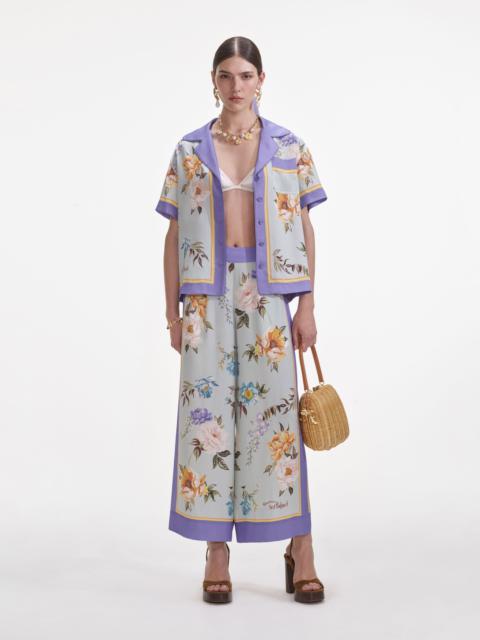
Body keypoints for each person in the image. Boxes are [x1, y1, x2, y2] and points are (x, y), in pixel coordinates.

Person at [156, 36, 327, 604]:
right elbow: (174, 234)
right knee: (205, 423)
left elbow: (303, 226)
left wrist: (307, 304)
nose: (236, 86)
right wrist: (172, 313)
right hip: (205, 299)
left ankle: (301, 546)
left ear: (261, 80)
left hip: (269, 294)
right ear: (213, 80)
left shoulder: (289, 147)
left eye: (246, 75)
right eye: (226, 76)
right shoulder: (188, 149)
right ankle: (216, 551)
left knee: (277, 423)